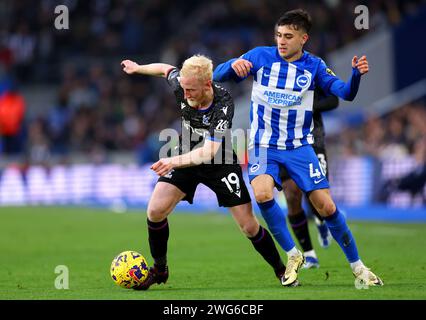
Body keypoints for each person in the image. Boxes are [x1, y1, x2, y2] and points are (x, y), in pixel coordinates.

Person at [213, 9, 383, 287]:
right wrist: (233, 65)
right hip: (263, 144)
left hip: (299, 147)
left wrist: (355, 76)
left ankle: (359, 267)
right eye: (279, 35)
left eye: (288, 36)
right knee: (262, 193)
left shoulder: (314, 66)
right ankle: (294, 255)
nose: (281, 40)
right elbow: (218, 74)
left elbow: (345, 93)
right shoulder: (259, 56)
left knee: (326, 207)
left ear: (303, 38)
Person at [121, 54, 290, 290]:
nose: (185, 93)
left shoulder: (223, 103)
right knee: (155, 211)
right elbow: (163, 68)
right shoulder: (181, 82)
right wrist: (138, 68)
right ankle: (159, 269)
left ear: (207, 85)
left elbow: (208, 152)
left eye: (191, 90)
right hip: (184, 156)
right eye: (183, 88)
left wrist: (172, 161)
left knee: (249, 227)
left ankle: (282, 270)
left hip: (218, 162)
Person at [280, 87, 337, 269]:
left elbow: (333, 100)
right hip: (284, 143)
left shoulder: (312, 68)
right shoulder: (271, 69)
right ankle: (309, 254)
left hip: (313, 142)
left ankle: (321, 221)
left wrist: (307, 106)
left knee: (319, 195)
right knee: (291, 194)